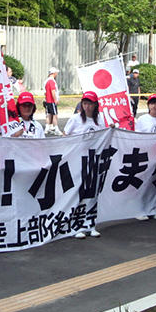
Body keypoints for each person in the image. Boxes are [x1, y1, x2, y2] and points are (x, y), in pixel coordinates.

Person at [62, 91, 104, 238]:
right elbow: (65, 136)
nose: (87, 106)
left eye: (90, 103)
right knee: (78, 193)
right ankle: (76, 225)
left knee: (92, 194)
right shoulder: (75, 119)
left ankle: (90, 224)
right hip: (78, 161)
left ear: (95, 105)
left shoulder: (100, 119)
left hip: (94, 161)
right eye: (85, 103)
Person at [134, 94, 156, 220]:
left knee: (154, 182)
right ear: (148, 105)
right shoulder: (142, 119)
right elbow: (137, 136)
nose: (154, 106)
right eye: (152, 103)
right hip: (145, 155)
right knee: (143, 183)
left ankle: (152, 208)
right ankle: (139, 210)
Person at [43, 67, 62, 136]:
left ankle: (47, 128)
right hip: (51, 101)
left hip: (47, 100)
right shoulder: (51, 81)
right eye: (56, 73)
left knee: (49, 115)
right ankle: (56, 128)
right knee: (55, 115)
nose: (57, 74)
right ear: (54, 73)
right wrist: (55, 99)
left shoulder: (46, 81)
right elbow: (53, 91)